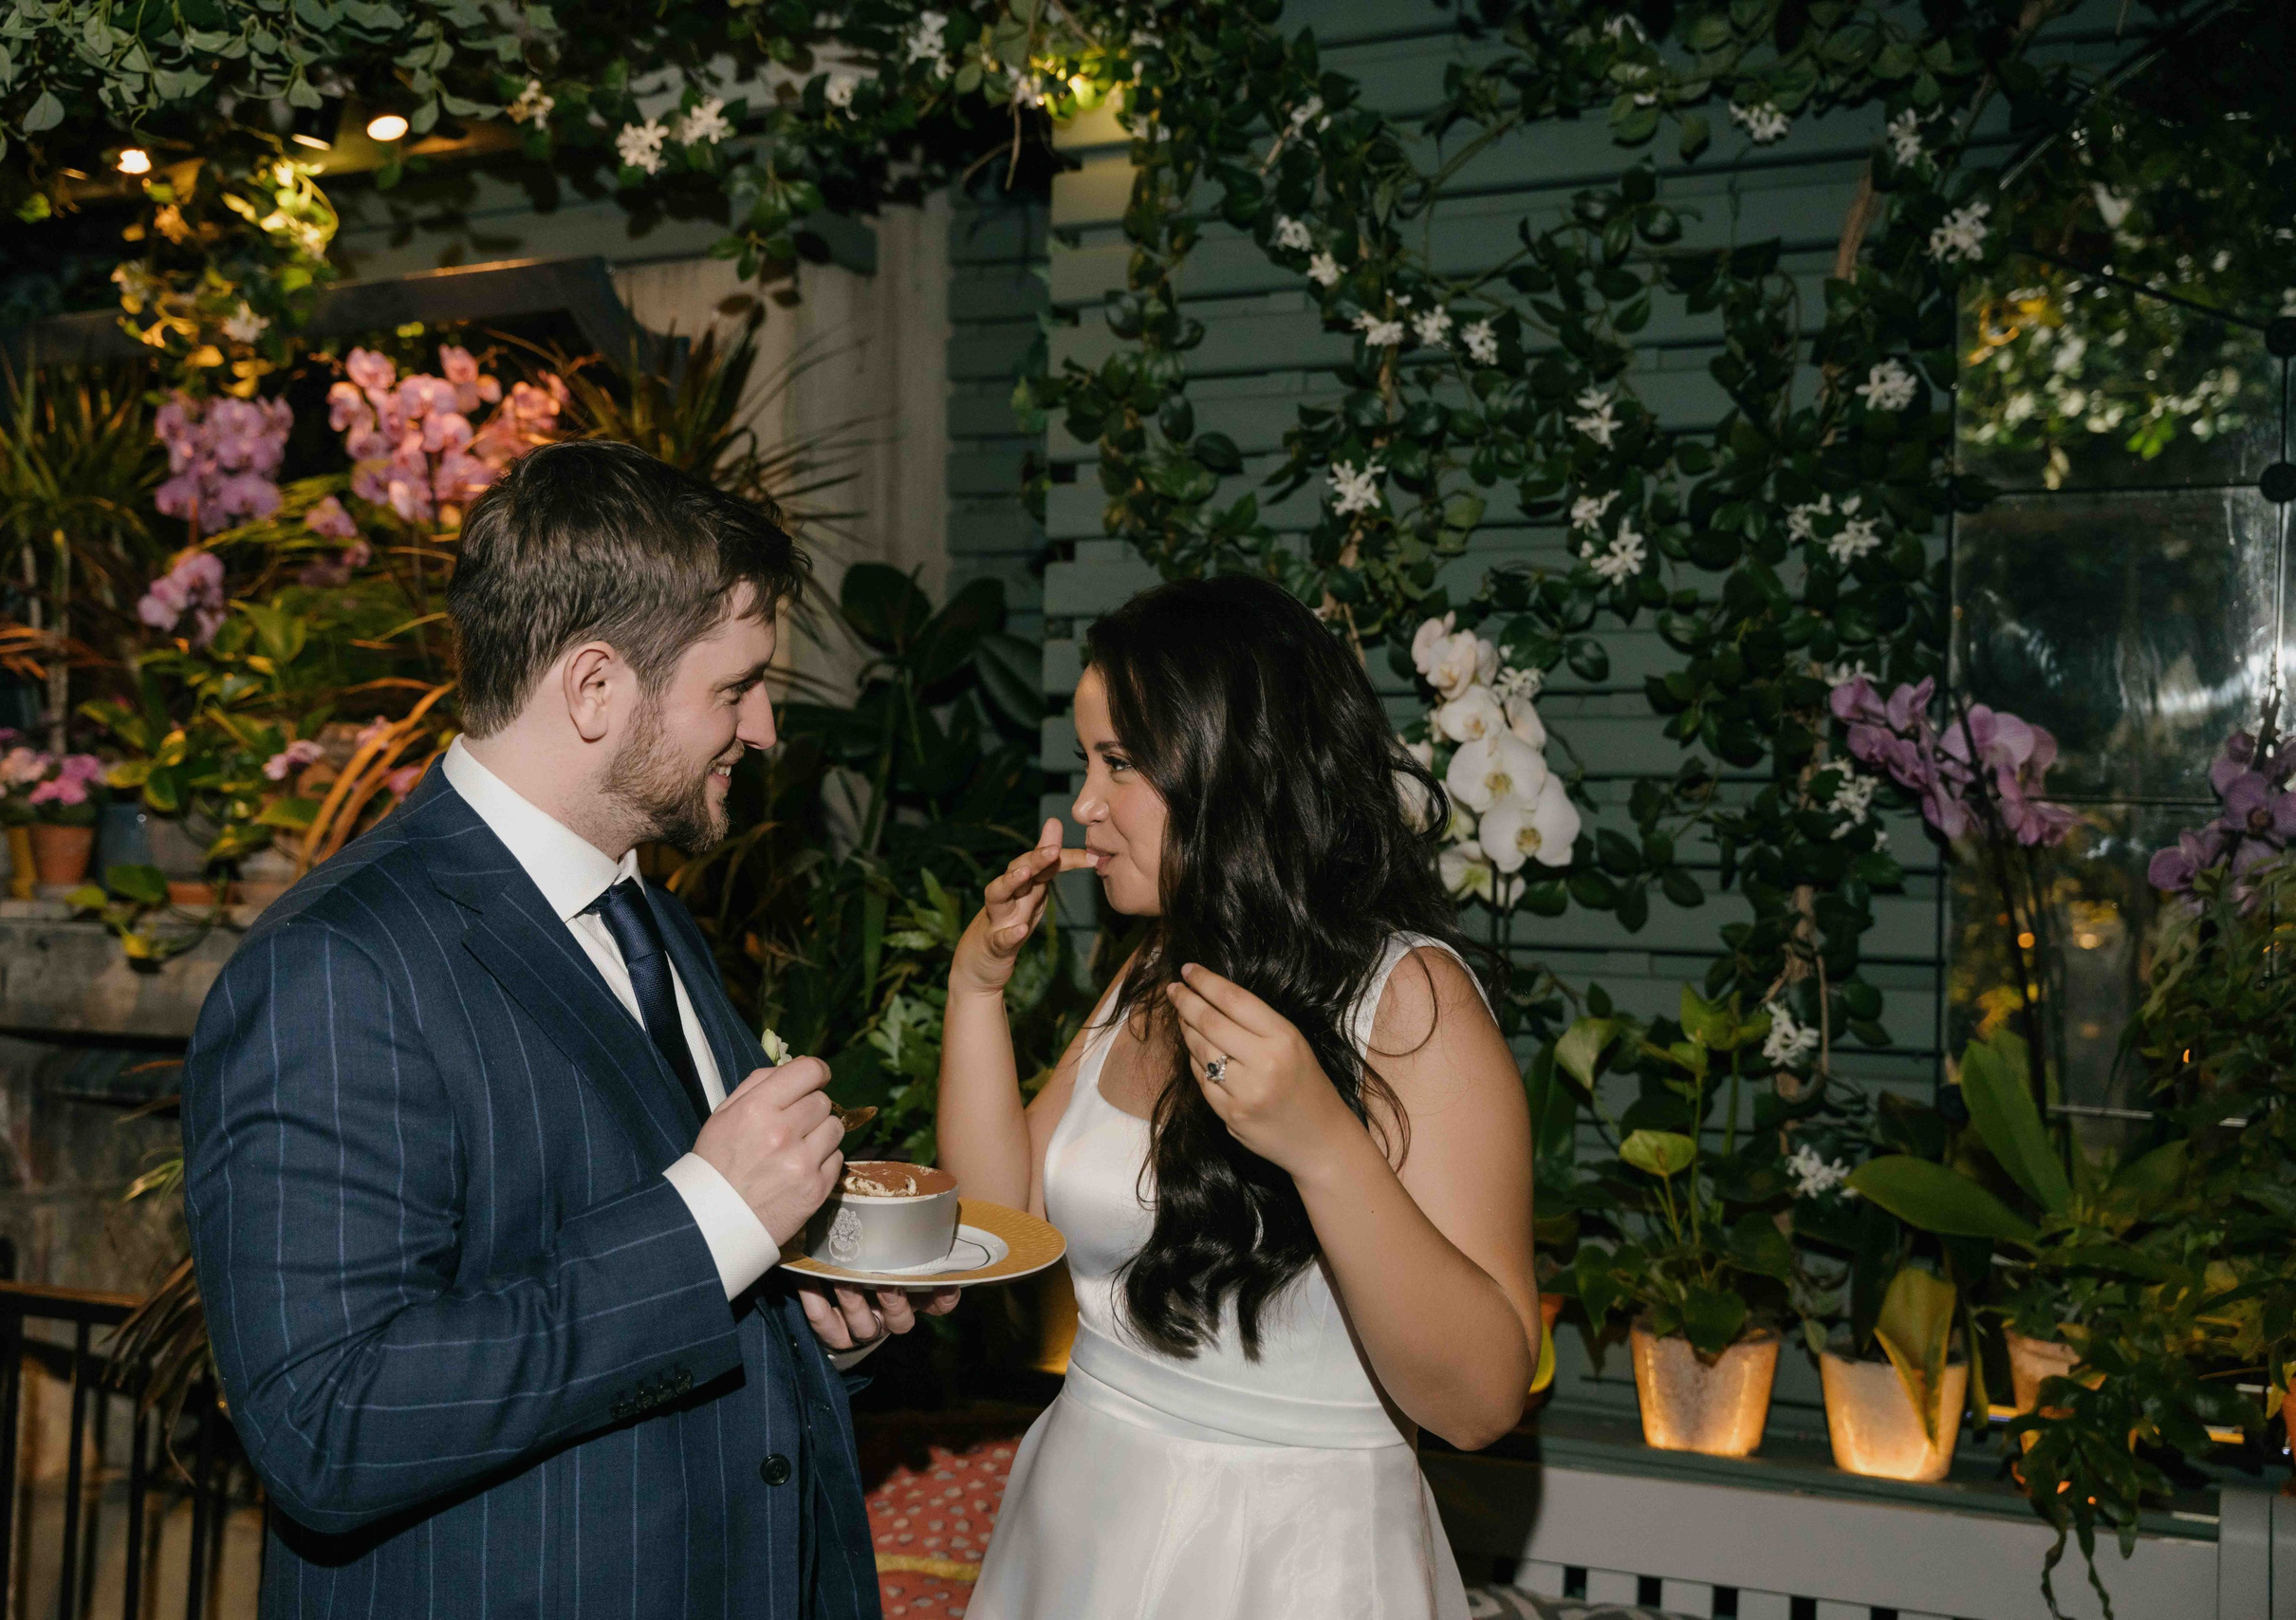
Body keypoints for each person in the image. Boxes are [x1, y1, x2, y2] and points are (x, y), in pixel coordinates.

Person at [184, 440, 954, 1619]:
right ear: (596, 688)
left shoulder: (645, 911)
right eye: (734, 689)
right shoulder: (335, 967)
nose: (761, 732)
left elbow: (659, 1311)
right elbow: (326, 1425)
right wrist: (711, 1225)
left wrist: (808, 1335)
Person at [939, 574, 1539, 1618]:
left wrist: (1324, 1144)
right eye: (1088, 762)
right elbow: (996, 1226)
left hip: (1294, 1555)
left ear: (1230, 771)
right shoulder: (1152, 965)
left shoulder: (1411, 999)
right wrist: (975, 991)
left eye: (1118, 764)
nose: (1082, 806)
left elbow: (1481, 1400)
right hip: (1083, 1521)